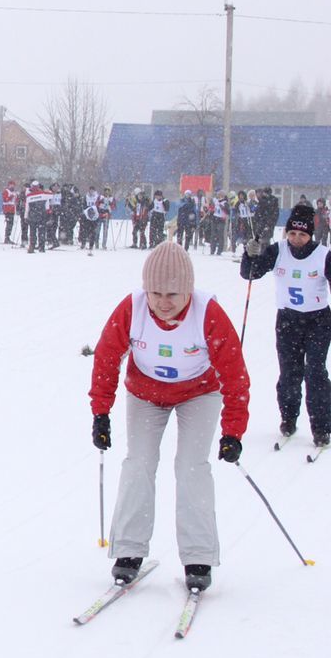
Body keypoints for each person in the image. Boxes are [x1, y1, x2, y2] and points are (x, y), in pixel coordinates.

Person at [89, 241, 250, 593]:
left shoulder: (208, 312)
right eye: (156, 293)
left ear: (188, 290)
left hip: (199, 393)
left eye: (173, 294)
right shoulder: (132, 308)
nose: (163, 302)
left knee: (192, 467)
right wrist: (101, 413)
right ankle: (129, 551)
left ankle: (199, 556)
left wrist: (233, 432)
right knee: (139, 463)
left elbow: (234, 374)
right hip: (145, 393)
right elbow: (105, 358)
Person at [241, 204, 331, 448]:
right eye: (292, 234)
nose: (296, 239)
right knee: (290, 373)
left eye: (302, 235)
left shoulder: (323, 254)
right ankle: (288, 417)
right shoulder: (278, 250)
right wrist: (250, 254)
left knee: (315, 372)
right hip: (288, 321)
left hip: (317, 321)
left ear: (310, 235)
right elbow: (250, 273)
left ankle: (322, 427)